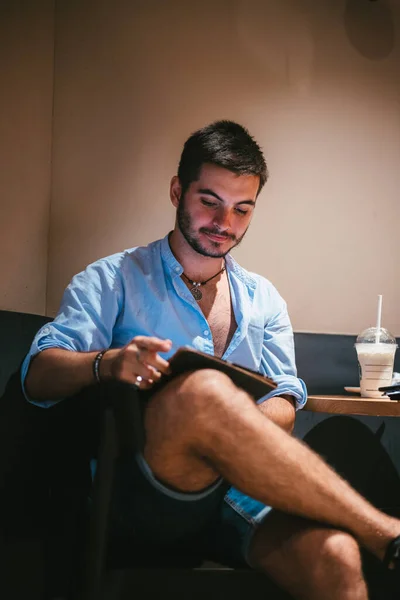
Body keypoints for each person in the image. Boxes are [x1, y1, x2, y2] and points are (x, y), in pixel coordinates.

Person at [23, 121, 399, 599]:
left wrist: (235, 427)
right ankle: (386, 531)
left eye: (243, 209)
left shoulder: (264, 299)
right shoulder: (113, 278)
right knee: (203, 390)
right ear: (178, 191)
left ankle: (367, 535)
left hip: (237, 498)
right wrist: (106, 363)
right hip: (142, 494)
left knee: (337, 555)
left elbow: (285, 397)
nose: (226, 223)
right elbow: (38, 376)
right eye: (210, 202)